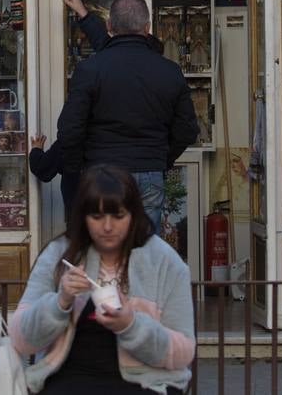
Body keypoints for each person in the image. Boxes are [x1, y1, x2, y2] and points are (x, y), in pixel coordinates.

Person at [11, 165, 194, 394]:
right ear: (83, 217)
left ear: (133, 214)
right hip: (70, 380)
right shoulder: (59, 255)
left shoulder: (164, 261)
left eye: (118, 216)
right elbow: (21, 338)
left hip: (148, 382)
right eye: (96, 216)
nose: (107, 227)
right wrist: (60, 303)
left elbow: (184, 352)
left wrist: (132, 326)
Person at [58, 0, 198, 234]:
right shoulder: (170, 72)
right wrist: (160, 159)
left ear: (110, 25)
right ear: (147, 27)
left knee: (105, 252)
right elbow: (187, 129)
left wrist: (78, 169)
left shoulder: (90, 69)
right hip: (149, 172)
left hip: (103, 173)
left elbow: (70, 130)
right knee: (143, 254)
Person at [28, 131, 78, 225]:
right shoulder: (111, 139)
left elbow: (42, 168)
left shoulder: (70, 139)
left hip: (77, 218)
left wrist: (36, 150)